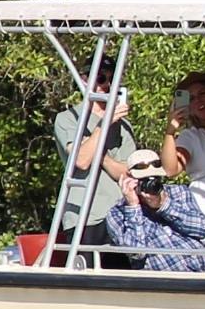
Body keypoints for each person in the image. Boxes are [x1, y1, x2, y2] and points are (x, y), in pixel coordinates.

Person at [94, 149, 205, 270]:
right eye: (145, 180)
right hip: (162, 283)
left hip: (202, 274)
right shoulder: (117, 214)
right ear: (131, 178)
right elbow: (136, 253)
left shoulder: (178, 192)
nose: (152, 184)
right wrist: (133, 207)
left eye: (156, 178)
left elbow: (202, 228)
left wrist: (164, 205)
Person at [51, 81, 140, 237]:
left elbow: (126, 173)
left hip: (121, 215)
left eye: (112, 77)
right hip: (85, 219)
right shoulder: (68, 118)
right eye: (100, 77)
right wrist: (104, 125)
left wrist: (97, 152)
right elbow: (81, 160)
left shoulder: (124, 125)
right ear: (85, 80)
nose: (106, 83)